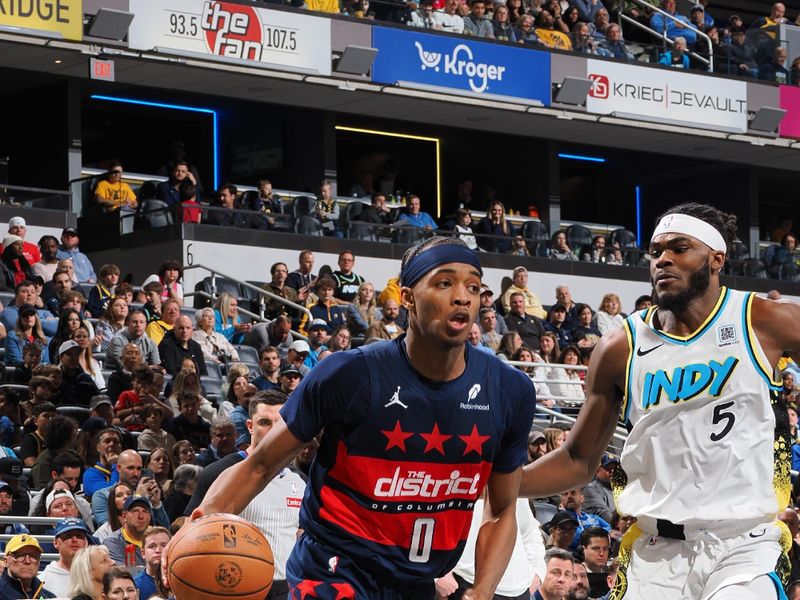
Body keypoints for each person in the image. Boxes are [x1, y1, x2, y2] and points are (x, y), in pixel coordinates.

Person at [190, 237, 536, 599]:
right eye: (444, 282)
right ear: (406, 298)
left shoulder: (510, 391)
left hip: (418, 582)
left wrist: (482, 591)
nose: (463, 296)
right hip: (334, 568)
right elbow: (259, 465)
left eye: (474, 287)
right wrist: (201, 523)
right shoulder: (347, 374)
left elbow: (500, 510)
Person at [521, 202, 800, 599]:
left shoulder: (762, 320)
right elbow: (578, 460)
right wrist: (504, 483)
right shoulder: (620, 346)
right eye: (655, 252)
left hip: (744, 543)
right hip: (655, 549)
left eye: (680, 248)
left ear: (716, 258)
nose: (663, 260)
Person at [185, 391, 306, 599]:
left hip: (287, 588)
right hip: (236, 586)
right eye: (265, 422)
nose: (272, 431)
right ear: (250, 426)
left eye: (279, 424)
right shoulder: (219, 472)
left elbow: (301, 535)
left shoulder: (300, 480)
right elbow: (188, 526)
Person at [41, 518, 92, 597]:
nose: (74, 540)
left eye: (79, 536)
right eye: (68, 536)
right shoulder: (44, 579)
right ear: (56, 542)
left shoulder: (96, 573)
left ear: (86, 542)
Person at [0, 534, 55, 599]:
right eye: (20, 555)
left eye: (34, 556)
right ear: (6, 561)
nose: (27, 561)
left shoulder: (49, 597)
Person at [134, 526, 170, 600]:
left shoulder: (183, 581)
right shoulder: (134, 585)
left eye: (164, 545)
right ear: (143, 553)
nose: (158, 550)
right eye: (152, 546)